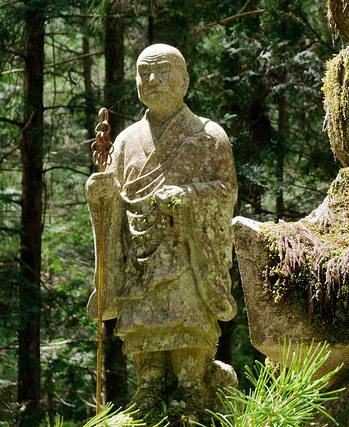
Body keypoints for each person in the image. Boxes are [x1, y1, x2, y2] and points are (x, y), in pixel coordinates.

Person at [85, 44, 237, 409]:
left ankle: (191, 383)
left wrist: (187, 197)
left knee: (185, 317)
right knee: (142, 320)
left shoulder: (208, 135)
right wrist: (101, 196)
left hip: (185, 246)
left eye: (164, 71)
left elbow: (226, 191)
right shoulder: (123, 142)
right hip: (138, 253)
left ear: (184, 80)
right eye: (144, 73)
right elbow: (117, 201)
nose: (152, 80)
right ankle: (149, 385)